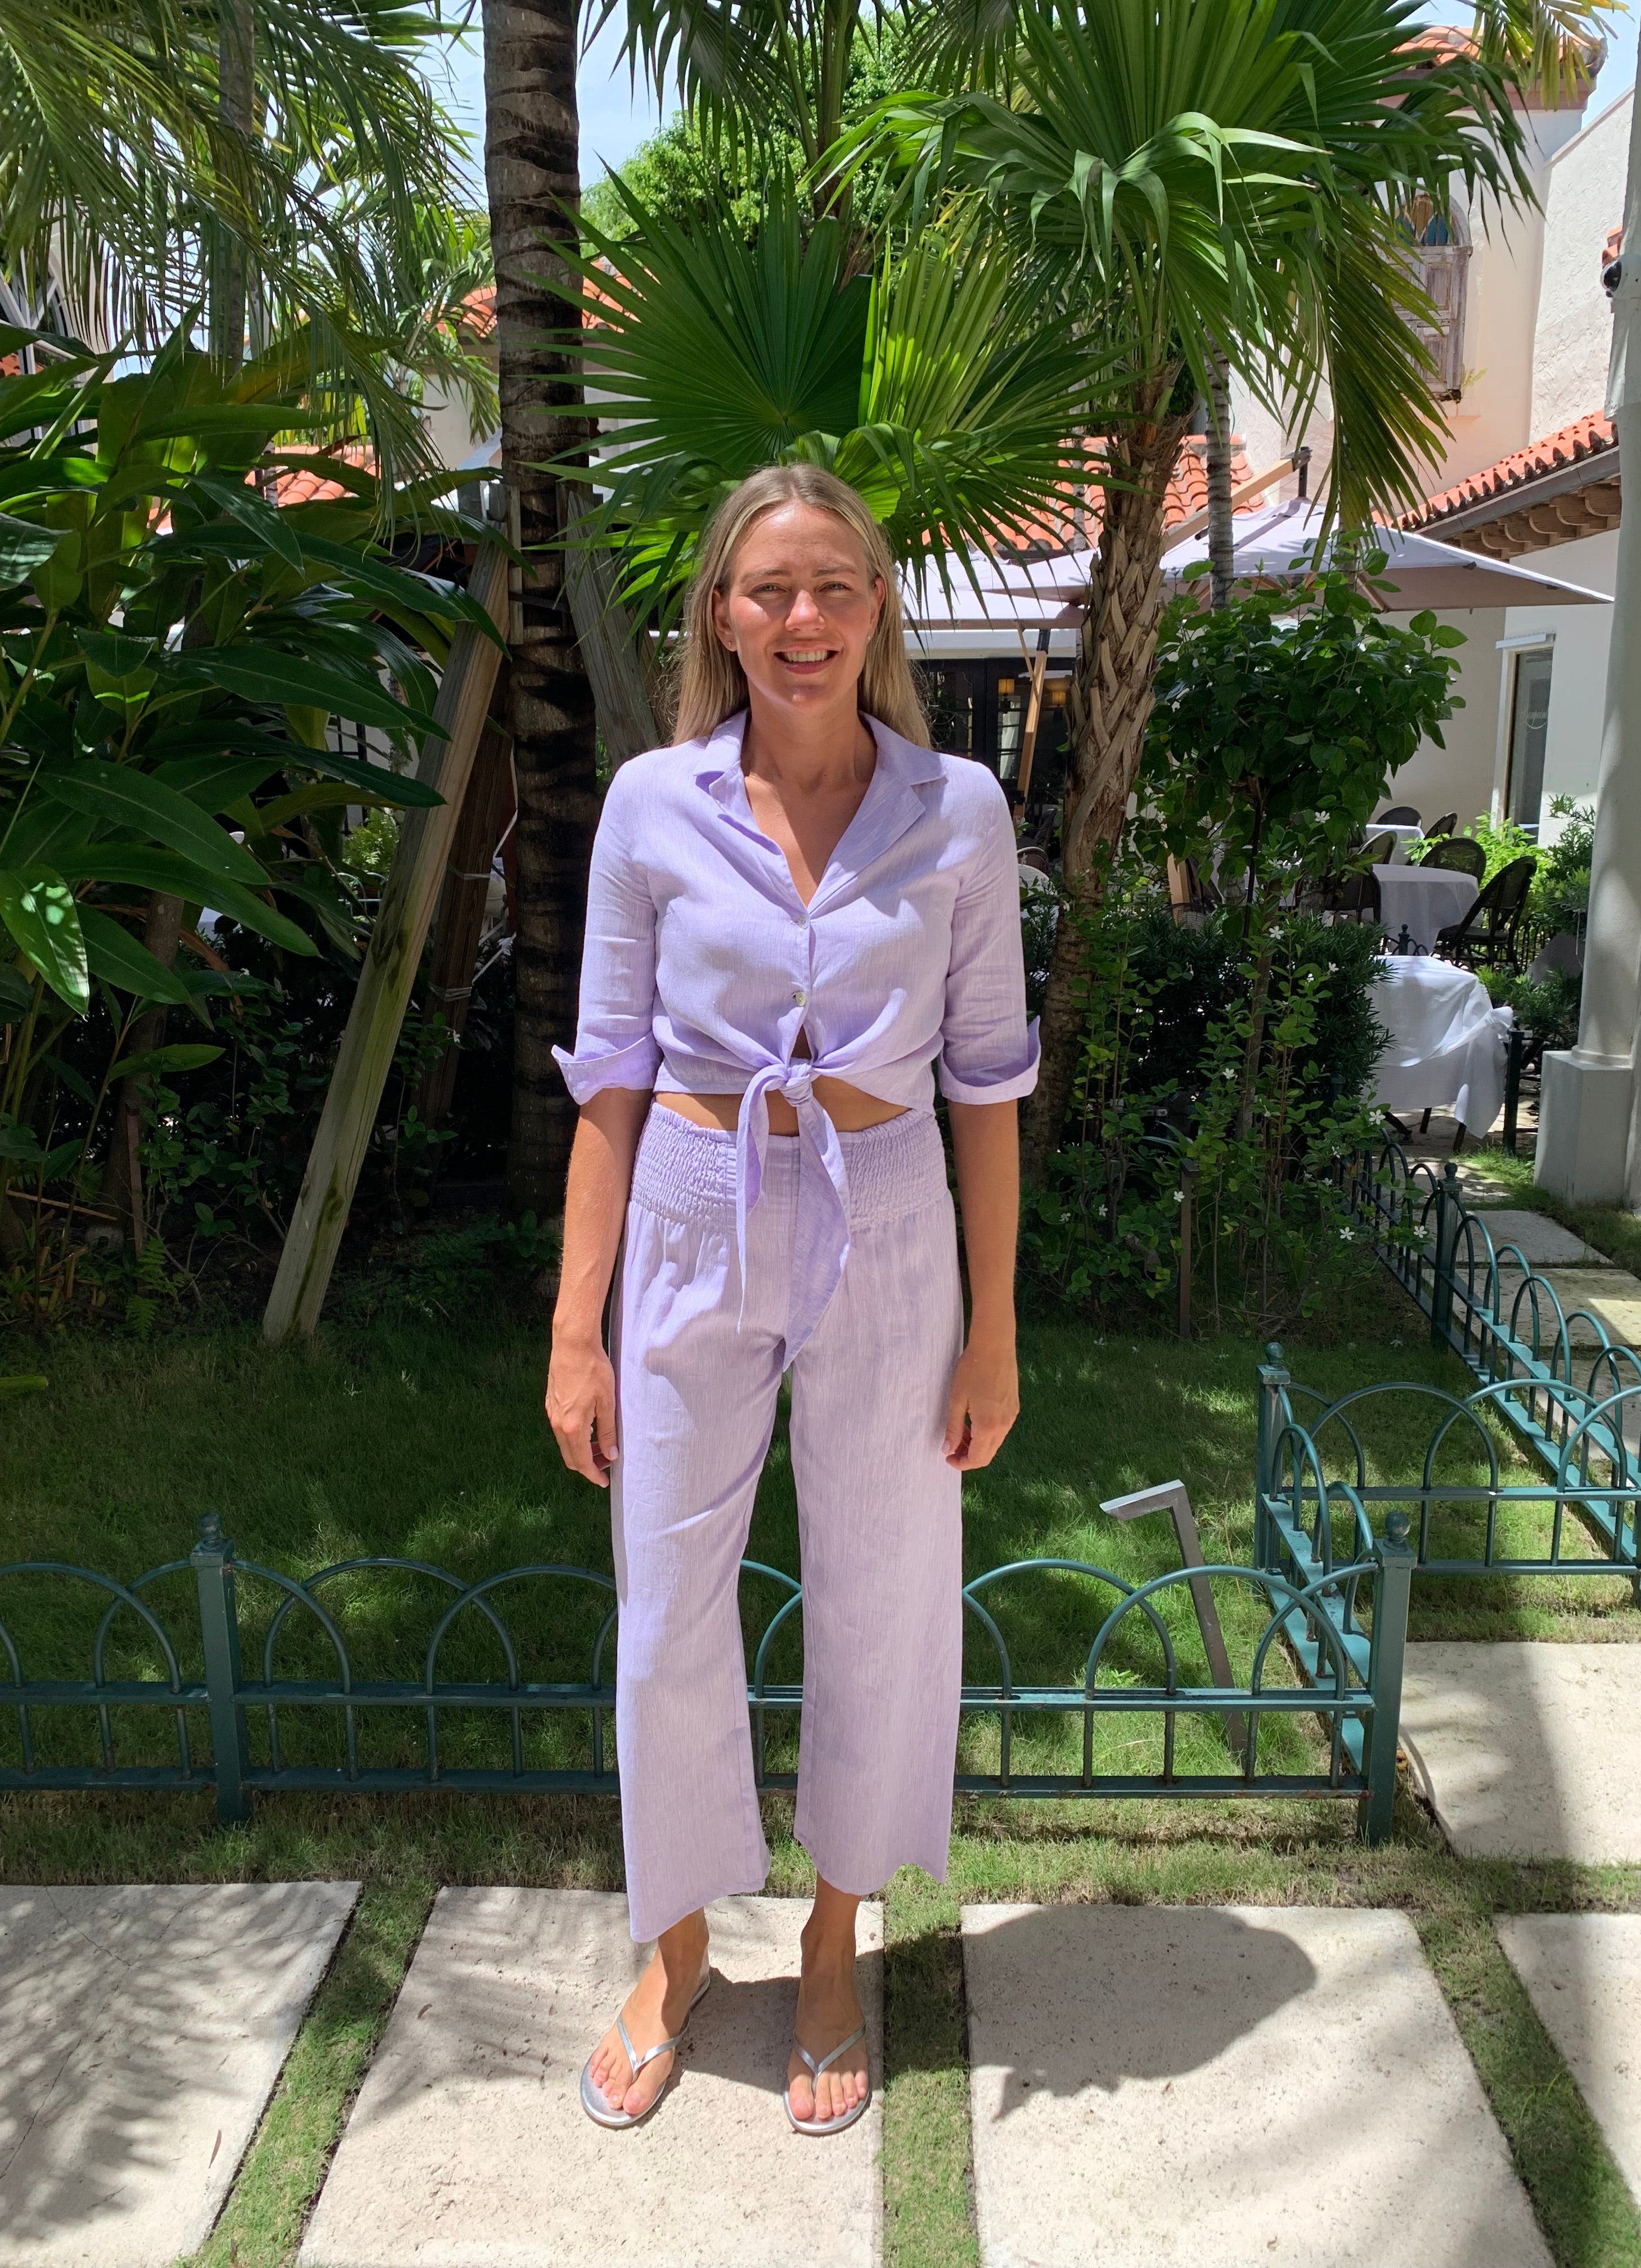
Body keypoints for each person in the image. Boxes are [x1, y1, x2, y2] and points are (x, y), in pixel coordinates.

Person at [546, 462, 1036, 2136]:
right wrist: (576, 1329)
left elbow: (989, 1084)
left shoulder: (958, 811)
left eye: (833, 585)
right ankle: (675, 1950)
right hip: (694, 1207)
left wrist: (993, 1328)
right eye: (770, 589)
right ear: (723, 614)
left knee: (885, 1587)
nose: (803, 617)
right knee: (668, 1599)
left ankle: (835, 1939)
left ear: (877, 608)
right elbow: (610, 1076)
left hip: (889, 1213)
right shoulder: (648, 808)